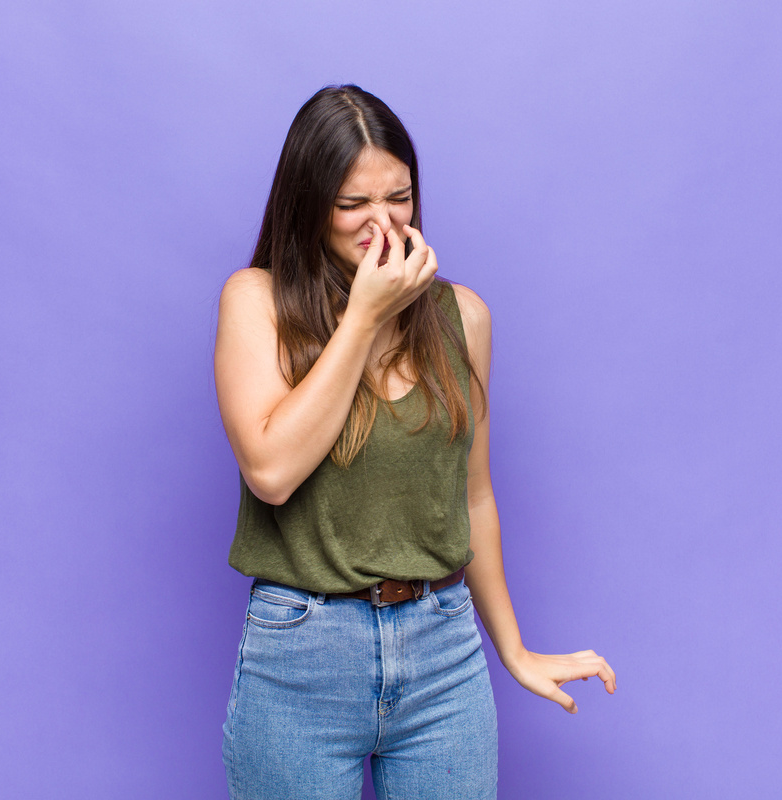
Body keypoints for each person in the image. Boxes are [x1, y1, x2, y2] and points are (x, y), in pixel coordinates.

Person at [214, 85, 615, 800]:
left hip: (442, 655)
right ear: (308, 206)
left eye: (397, 196)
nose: (381, 222)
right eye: (351, 205)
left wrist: (512, 649)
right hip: (302, 655)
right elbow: (270, 471)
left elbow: (474, 496)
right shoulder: (257, 302)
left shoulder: (464, 318)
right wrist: (363, 319)